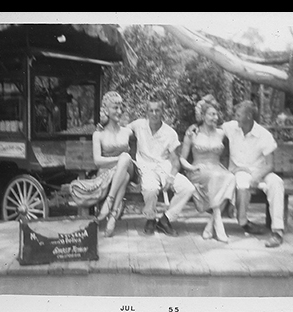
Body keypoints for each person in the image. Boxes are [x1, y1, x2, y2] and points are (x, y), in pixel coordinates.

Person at [70, 91, 139, 237]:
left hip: (128, 168)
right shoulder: (98, 134)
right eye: (115, 108)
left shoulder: (127, 132)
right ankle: (113, 217)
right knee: (124, 175)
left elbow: (146, 128)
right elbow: (97, 161)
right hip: (108, 173)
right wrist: (119, 161)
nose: (119, 111)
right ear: (106, 110)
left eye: (121, 107)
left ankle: (109, 200)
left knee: (126, 159)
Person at [127, 99, 196, 237]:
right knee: (150, 188)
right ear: (146, 112)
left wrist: (171, 178)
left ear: (162, 112)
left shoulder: (170, 133)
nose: (154, 114)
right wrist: (103, 127)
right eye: (150, 110)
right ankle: (150, 219)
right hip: (145, 167)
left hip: (165, 167)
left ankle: (165, 219)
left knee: (188, 187)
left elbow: (176, 161)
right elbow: (121, 130)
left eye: (157, 110)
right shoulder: (139, 125)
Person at [222, 100, 285, 248]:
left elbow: (270, 165)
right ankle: (244, 222)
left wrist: (257, 176)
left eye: (238, 115)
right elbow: (212, 127)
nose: (235, 117)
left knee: (277, 183)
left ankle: (277, 231)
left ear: (249, 116)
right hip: (240, 171)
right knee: (242, 182)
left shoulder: (264, 135)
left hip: (261, 172)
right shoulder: (232, 127)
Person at [179, 95, 236, 243]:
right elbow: (182, 159)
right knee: (217, 178)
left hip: (217, 170)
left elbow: (238, 126)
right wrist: (192, 167)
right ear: (203, 116)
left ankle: (211, 225)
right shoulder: (192, 134)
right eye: (212, 114)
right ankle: (220, 228)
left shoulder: (222, 133)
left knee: (230, 178)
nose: (215, 117)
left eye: (217, 114)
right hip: (198, 171)